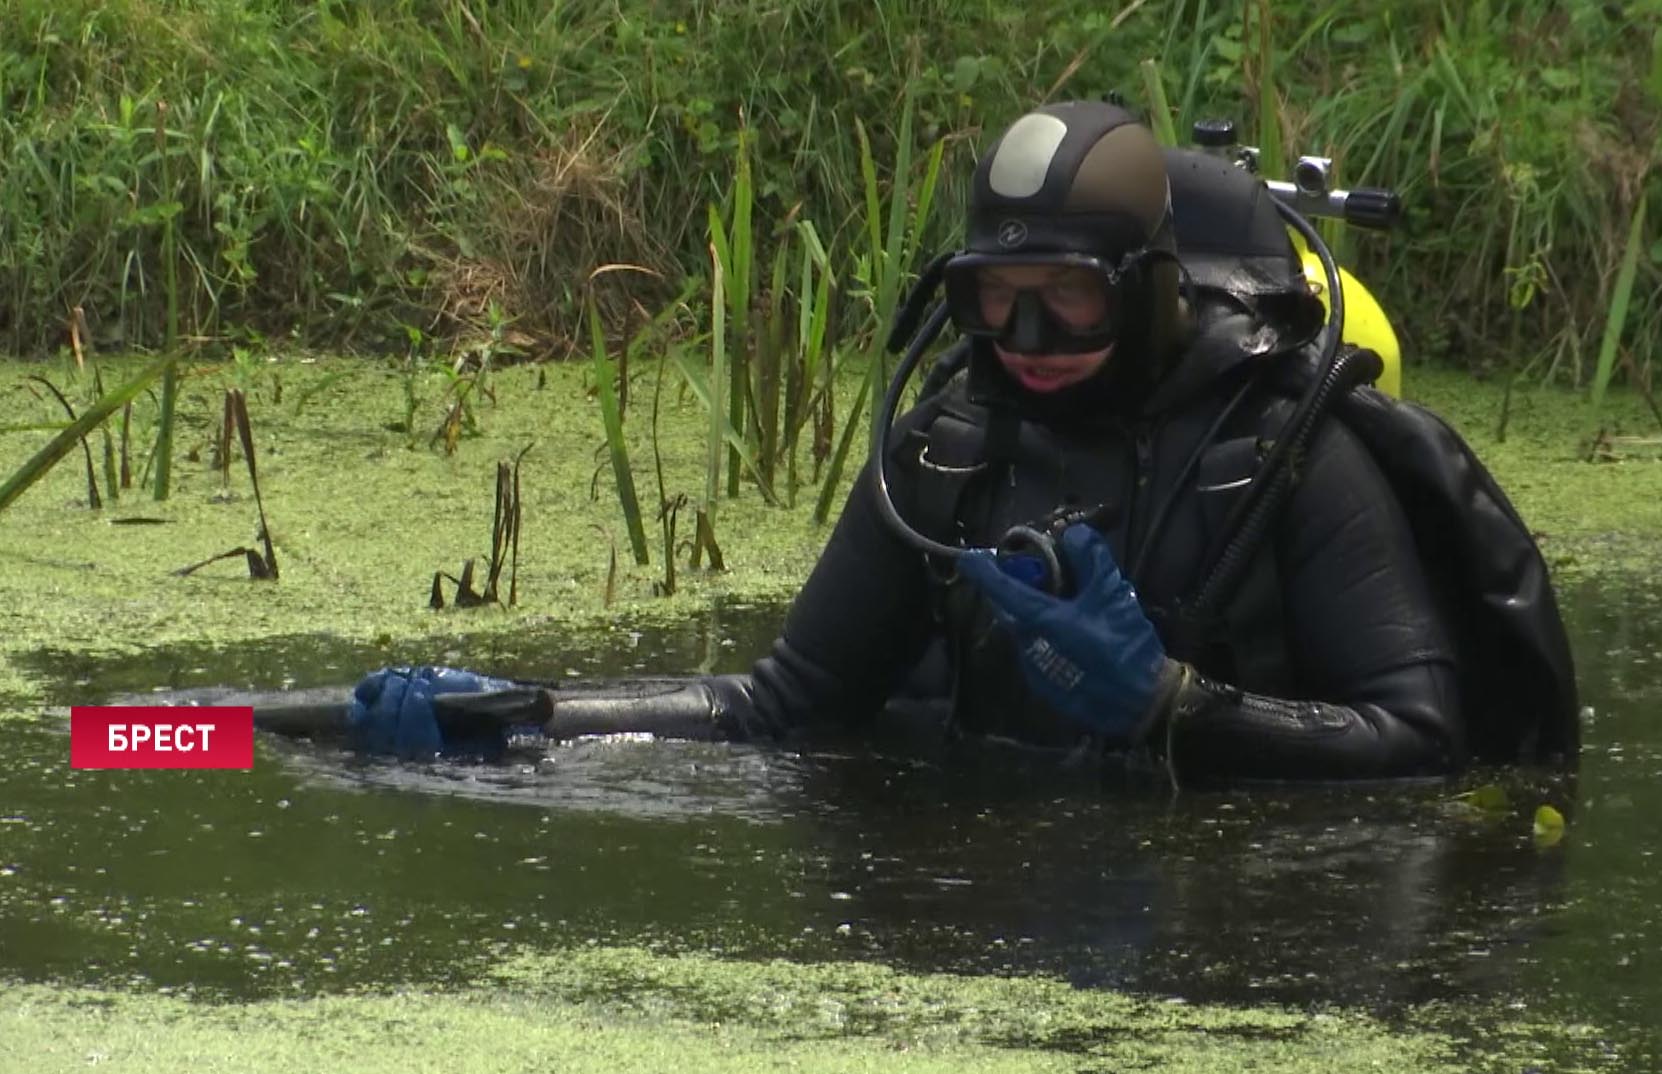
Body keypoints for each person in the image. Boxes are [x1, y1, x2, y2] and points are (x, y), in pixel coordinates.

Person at [357, 100, 1541, 782]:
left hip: (1238, 952)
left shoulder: (1285, 457)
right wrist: (522, 720)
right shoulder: (945, 454)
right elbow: (779, 704)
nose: (1022, 336)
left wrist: (1173, 706)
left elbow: (1420, 743)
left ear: (1144, 290)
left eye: (1065, 297)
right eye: (990, 297)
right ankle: (165, 746)